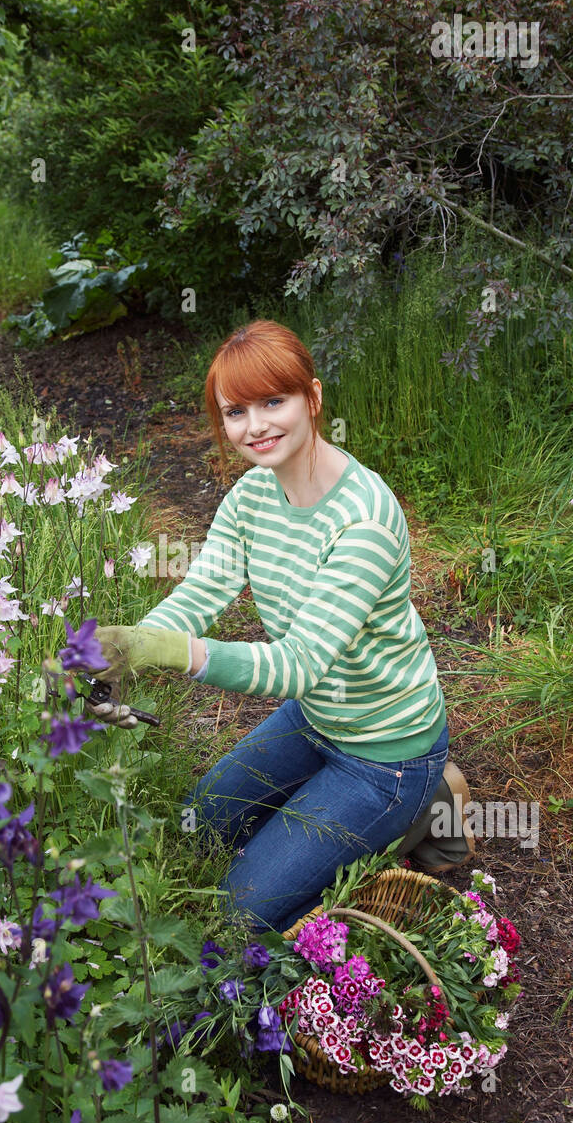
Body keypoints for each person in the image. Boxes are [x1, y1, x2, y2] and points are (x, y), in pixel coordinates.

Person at [88, 319, 451, 935]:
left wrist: (172, 651)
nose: (254, 426)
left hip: (385, 753)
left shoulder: (363, 519)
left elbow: (297, 664)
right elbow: (202, 591)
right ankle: (349, 816)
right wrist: (131, 647)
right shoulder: (253, 496)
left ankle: (422, 808)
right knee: (197, 831)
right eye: (235, 412)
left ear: (311, 398)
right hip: (315, 719)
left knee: (239, 914)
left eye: (272, 402)